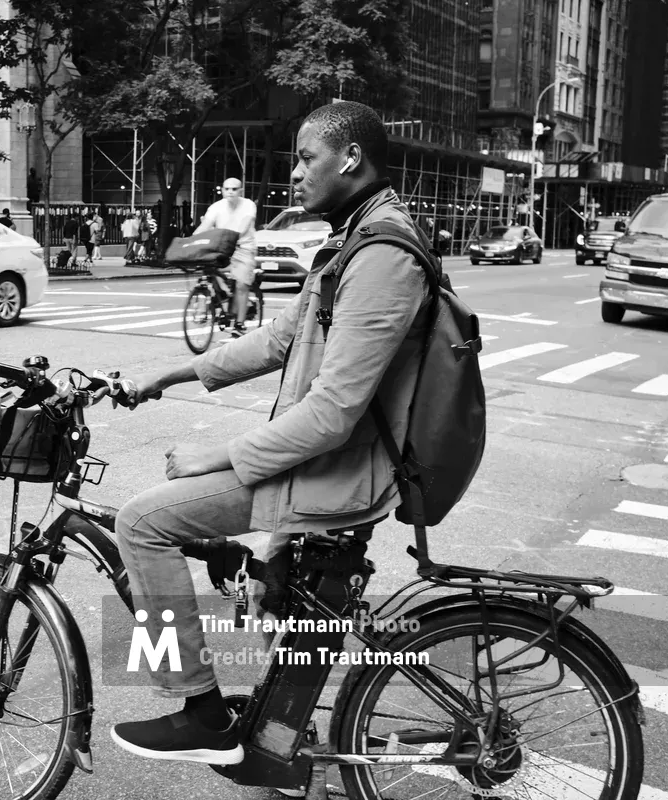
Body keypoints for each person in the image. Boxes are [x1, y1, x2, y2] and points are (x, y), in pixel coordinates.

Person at [108, 100, 432, 767]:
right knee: (268, 588)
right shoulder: (352, 239)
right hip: (330, 462)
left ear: (350, 158)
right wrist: (171, 374)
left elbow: (333, 412)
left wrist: (214, 456)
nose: (295, 174)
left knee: (143, 524)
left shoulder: (382, 254)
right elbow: (279, 340)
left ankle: (200, 711)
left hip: (339, 472)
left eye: (307, 157)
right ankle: (276, 737)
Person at [193, 178, 258, 338]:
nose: (230, 191)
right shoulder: (216, 207)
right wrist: (193, 239)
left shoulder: (248, 205)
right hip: (222, 248)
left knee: (242, 285)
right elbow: (206, 224)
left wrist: (234, 237)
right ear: (222, 190)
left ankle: (239, 324)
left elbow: (245, 224)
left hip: (243, 248)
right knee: (206, 272)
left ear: (240, 191)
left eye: (234, 189)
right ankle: (219, 297)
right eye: (227, 188)